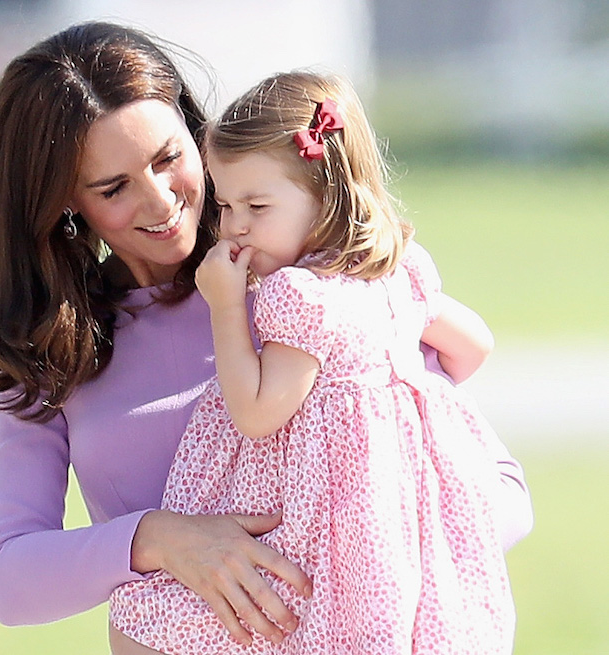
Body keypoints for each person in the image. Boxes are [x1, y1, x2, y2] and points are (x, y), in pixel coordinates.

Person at [0, 22, 532, 648]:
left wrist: (340, 561)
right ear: (64, 201)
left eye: (169, 159)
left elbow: (502, 493)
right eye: (113, 187)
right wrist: (161, 539)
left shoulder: (314, 286)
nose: (160, 202)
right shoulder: (53, 349)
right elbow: (8, 579)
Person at [108, 72, 523, 654]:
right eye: (226, 205)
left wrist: (226, 306)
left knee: (160, 622)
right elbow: (474, 346)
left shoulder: (299, 296)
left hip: (323, 507)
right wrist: (401, 394)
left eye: (257, 206)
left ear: (327, 196)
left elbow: (256, 413)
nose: (235, 226)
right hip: (389, 513)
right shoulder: (397, 270)